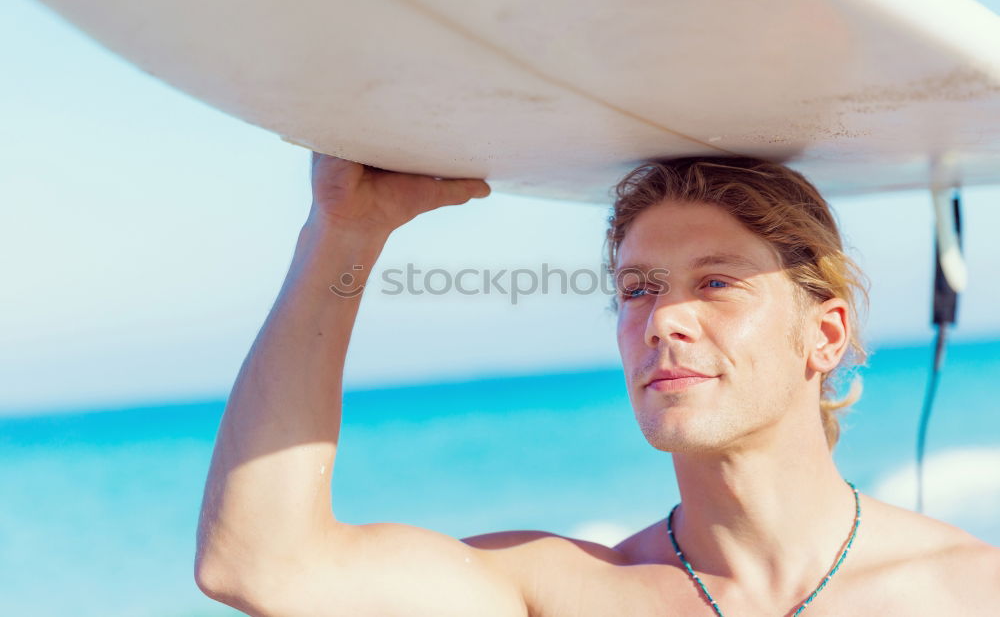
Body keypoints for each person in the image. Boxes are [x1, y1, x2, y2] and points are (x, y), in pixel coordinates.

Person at [195, 153, 1000, 616]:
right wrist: (343, 231)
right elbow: (258, 563)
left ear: (823, 337)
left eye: (715, 283)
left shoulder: (968, 590)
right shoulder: (567, 595)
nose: (663, 320)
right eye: (639, 288)